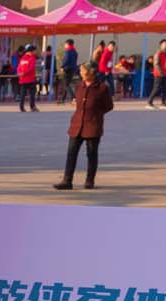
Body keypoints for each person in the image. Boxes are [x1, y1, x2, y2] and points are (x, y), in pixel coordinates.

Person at [55, 61, 113, 190]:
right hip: (77, 124)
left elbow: (109, 106)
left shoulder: (102, 88)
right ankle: (67, 180)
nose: (80, 73)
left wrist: (95, 113)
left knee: (91, 154)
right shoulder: (79, 85)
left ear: (91, 72)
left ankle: (89, 180)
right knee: (71, 153)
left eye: (82, 70)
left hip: (92, 125)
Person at [149, 39, 166, 109]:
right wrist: (161, 72)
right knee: (156, 89)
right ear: (161, 45)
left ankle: (163, 103)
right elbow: (156, 64)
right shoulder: (158, 53)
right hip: (159, 74)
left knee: (165, 89)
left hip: (165, 74)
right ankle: (149, 102)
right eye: (164, 44)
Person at [17, 45, 39, 111]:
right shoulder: (32, 57)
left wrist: (19, 73)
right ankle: (32, 107)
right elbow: (31, 68)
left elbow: (19, 67)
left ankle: (21, 107)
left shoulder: (23, 58)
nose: (35, 52)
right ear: (32, 51)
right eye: (35, 50)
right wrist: (24, 73)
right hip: (30, 79)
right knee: (32, 93)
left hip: (22, 79)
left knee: (22, 94)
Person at [60, 39, 80, 103]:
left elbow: (66, 60)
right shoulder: (74, 51)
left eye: (65, 44)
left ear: (67, 44)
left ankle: (73, 97)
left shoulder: (68, 51)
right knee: (66, 84)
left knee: (66, 85)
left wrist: (62, 66)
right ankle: (62, 99)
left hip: (67, 69)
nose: (64, 45)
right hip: (72, 69)